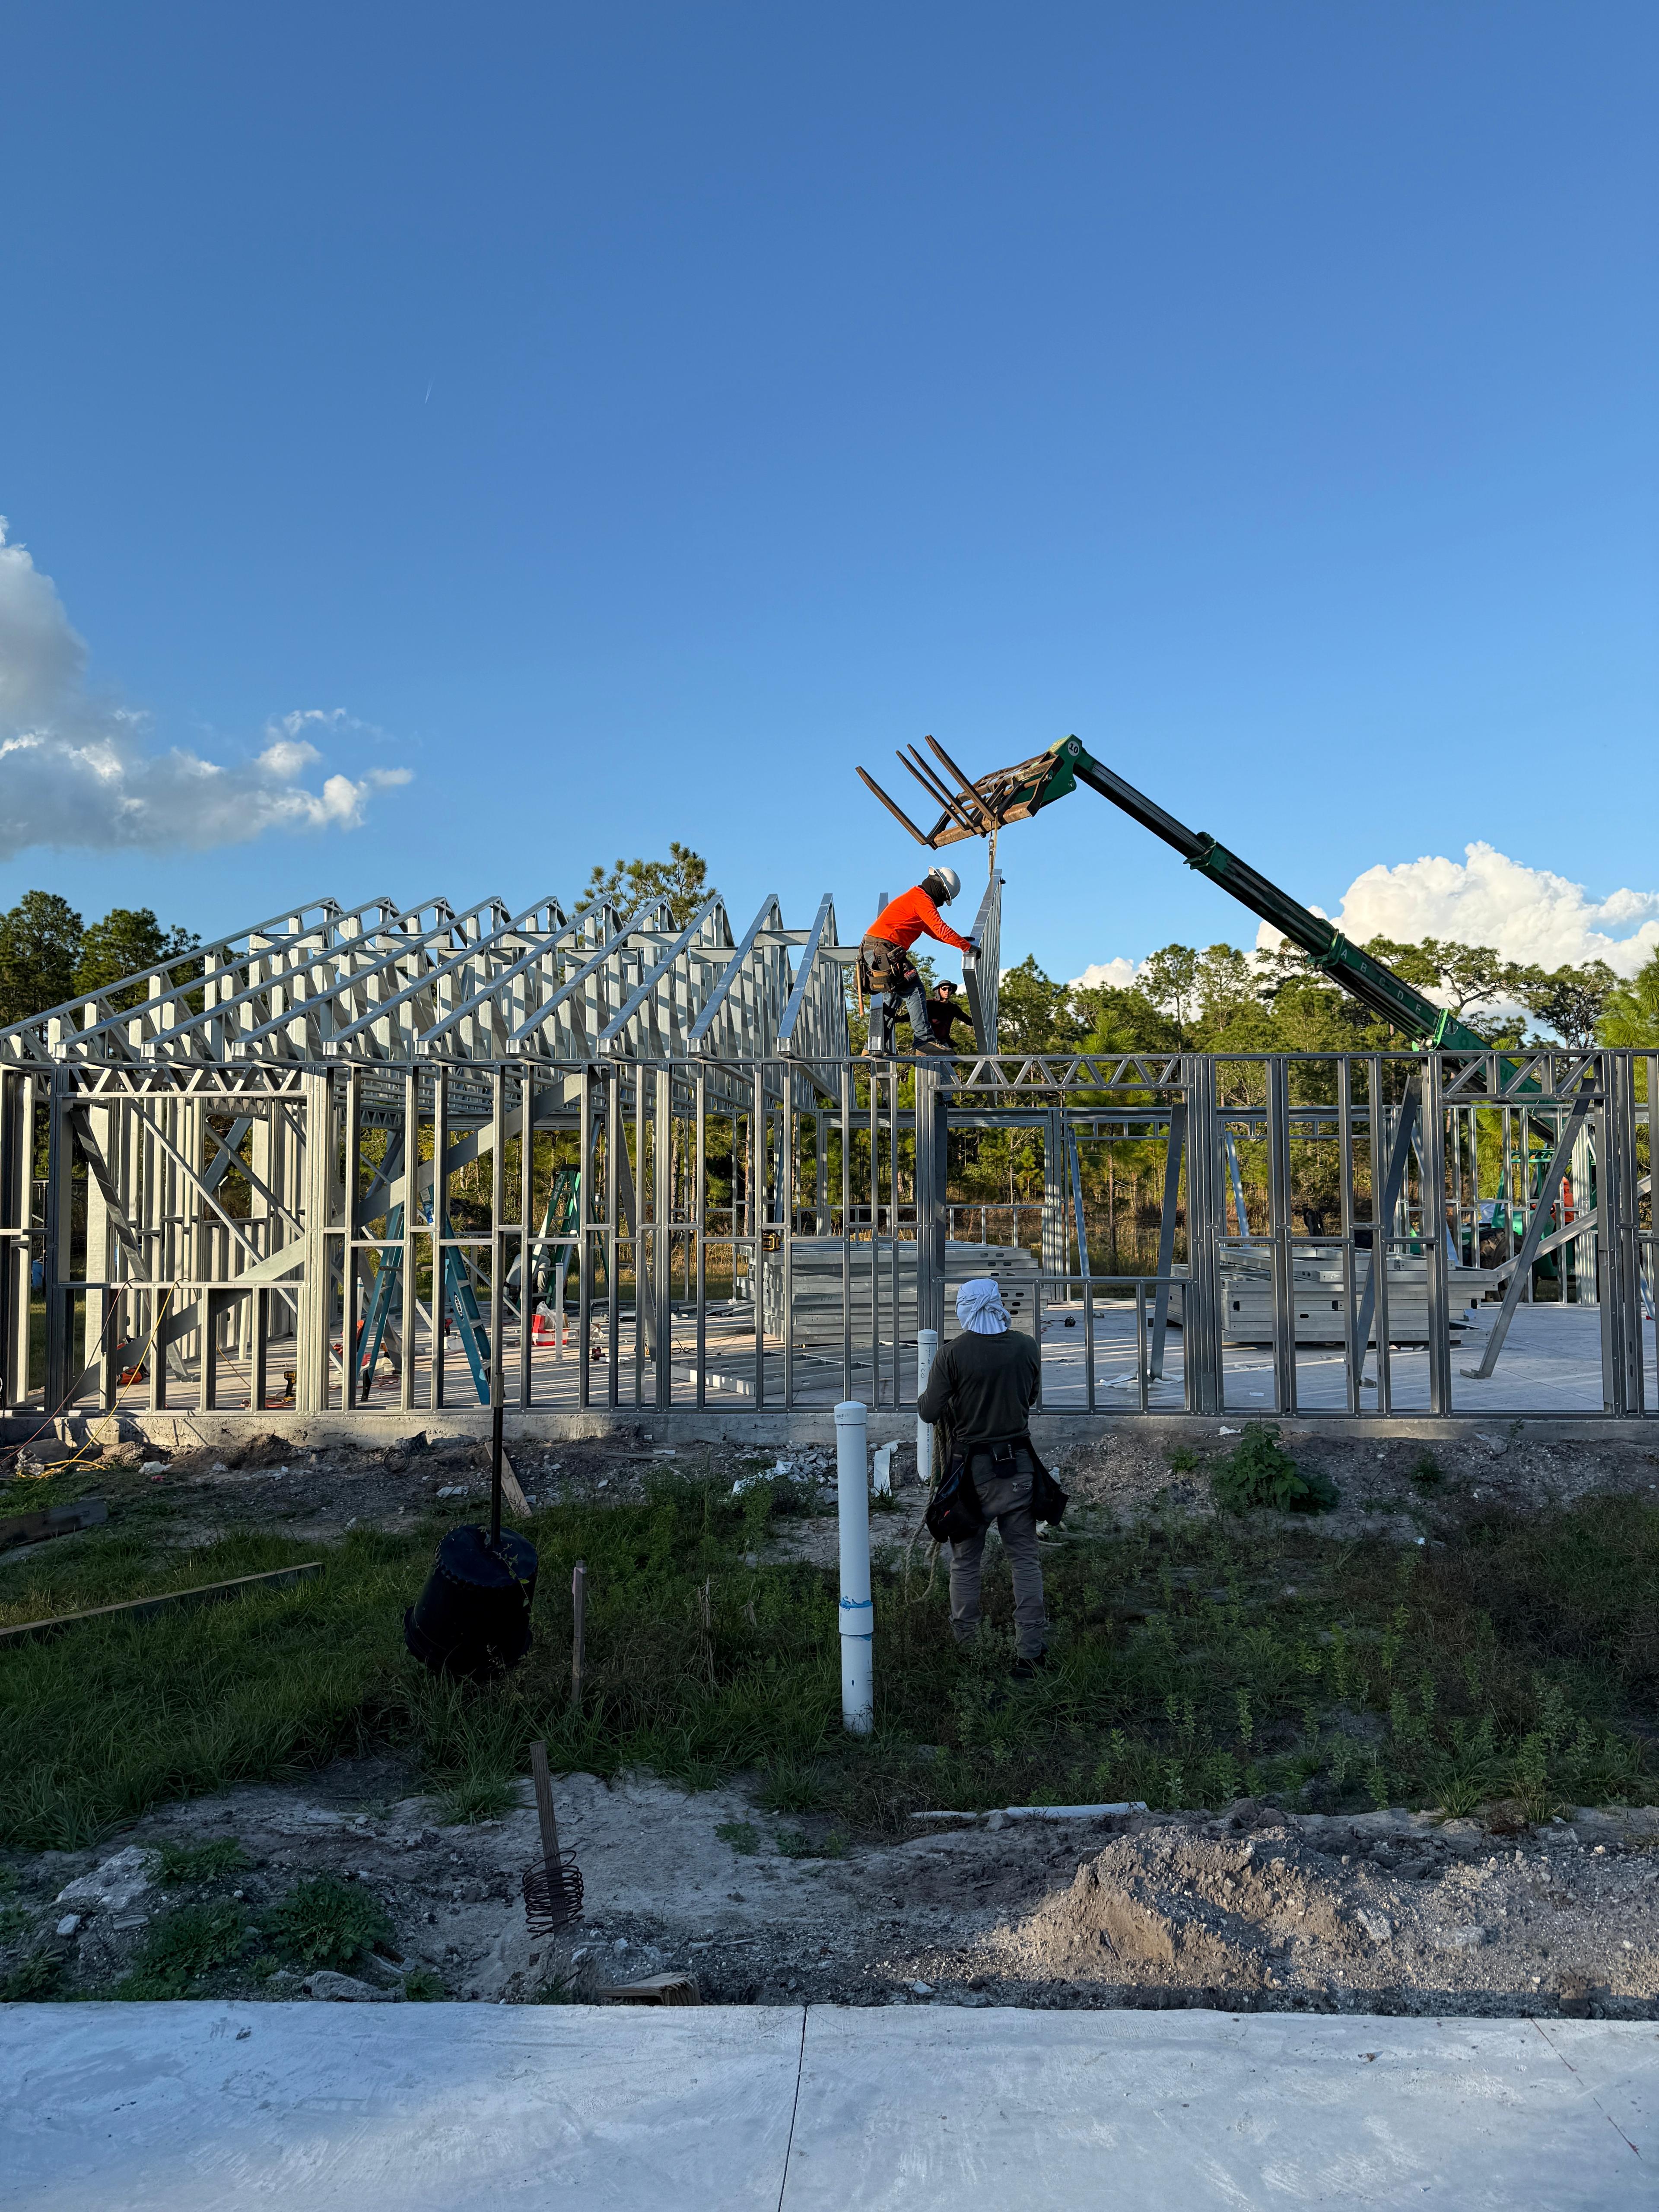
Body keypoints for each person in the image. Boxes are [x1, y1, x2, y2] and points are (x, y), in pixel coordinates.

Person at [916, 1276, 1049, 1675]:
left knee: (965, 1561)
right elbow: (1030, 1398)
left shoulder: (951, 1355)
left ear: (965, 1308)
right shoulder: (1027, 1347)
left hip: (969, 1475)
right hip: (1020, 1469)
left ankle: (968, 1650)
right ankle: (1031, 1651)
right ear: (998, 1304)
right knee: (1025, 1559)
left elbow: (929, 1412)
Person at [860, 867, 975, 1056]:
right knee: (914, 988)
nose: (940, 904)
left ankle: (873, 1046)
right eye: (943, 898)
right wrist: (967, 948)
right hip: (882, 949)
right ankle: (923, 1040)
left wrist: (960, 940)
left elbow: (932, 930)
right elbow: (940, 928)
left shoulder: (916, 898)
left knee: (894, 997)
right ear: (940, 889)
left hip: (877, 949)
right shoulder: (922, 899)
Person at [922, 979, 976, 1050]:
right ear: (939, 991)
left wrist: (989, 1022)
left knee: (950, 1059)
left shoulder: (953, 1008)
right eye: (944, 989)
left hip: (944, 1043)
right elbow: (913, 1015)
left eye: (949, 989)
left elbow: (969, 1021)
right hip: (928, 1043)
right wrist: (902, 1019)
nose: (947, 991)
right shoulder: (929, 1004)